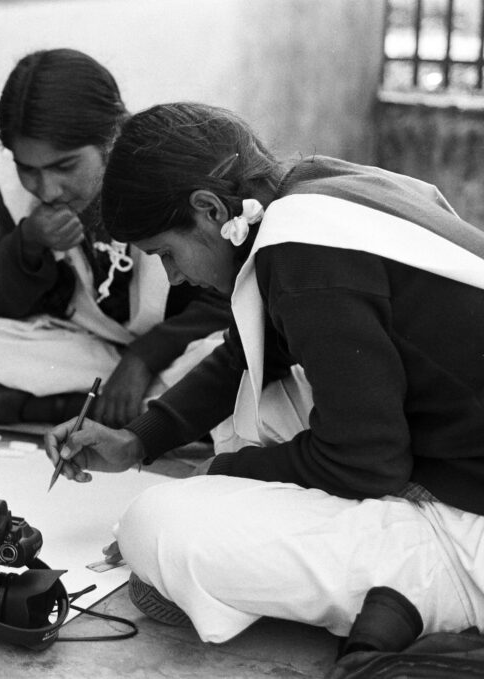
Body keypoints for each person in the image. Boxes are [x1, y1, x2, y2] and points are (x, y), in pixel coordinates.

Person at [45, 102, 484, 648]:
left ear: (208, 210)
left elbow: (366, 460)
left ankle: (429, 582)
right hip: (446, 457)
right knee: (258, 401)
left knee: (154, 527)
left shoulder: (304, 256)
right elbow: (247, 353)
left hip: (468, 526)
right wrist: (137, 440)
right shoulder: (312, 187)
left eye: (166, 253)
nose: (174, 278)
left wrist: (218, 473)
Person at [0, 49, 230, 428]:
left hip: (176, 346)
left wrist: (143, 358)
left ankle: (66, 406)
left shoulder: (169, 174)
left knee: (236, 354)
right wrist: (29, 244)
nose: (47, 189)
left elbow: (227, 298)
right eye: (27, 168)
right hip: (93, 346)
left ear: (114, 138)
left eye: (65, 166)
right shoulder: (19, 195)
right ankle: (149, 409)